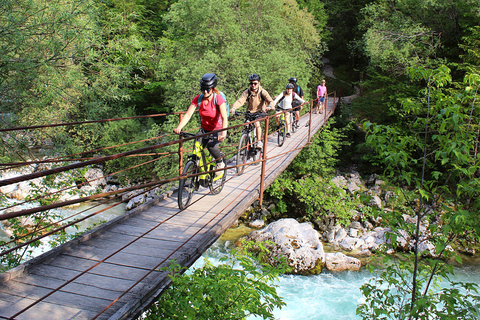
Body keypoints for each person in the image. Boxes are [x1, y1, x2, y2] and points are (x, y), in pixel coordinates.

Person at [174, 73, 228, 175]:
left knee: (211, 146)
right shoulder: (198, 98)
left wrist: (223, 133)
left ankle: (220, 162)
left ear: (212, 88)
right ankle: (198, 171)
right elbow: (188, 114)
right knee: (197, 146)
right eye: (203, 89)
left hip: (217, 129)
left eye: (208, 89)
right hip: (204, 129)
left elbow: (225, 117)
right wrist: (179, 127)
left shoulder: (218, 99)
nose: (205, 91)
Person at [230, 74, 274, 149]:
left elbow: (270, 100)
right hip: (250, 112)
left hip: (259, 112)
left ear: (259, 83)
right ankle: (246, 144)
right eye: (251, 83)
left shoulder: (263, 92)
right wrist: (233, 108)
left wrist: (270, 106)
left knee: (257, 124)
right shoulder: (247, 92)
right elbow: (240, 101)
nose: (253, 85)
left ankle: (259, 141)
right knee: (247, 125)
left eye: (255, 83)